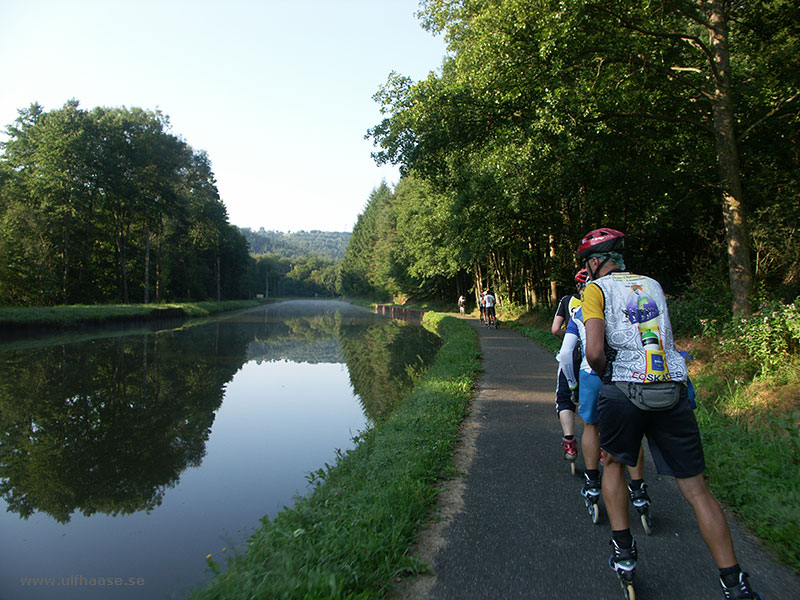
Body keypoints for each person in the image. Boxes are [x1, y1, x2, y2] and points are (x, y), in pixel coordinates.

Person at [579, 227, 762, 599]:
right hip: (671, 390)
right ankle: (734, 582)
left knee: (613, 463)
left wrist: (609, 377)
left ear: (595, 262)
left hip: (625, 391)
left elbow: (595, 352)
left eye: (588, 262)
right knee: (697, 489)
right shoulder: (653, 284)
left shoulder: (595, 290)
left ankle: (624, 553)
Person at [559, 284, 651, 525]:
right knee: (631, 433)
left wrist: (571, 384)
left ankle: (591, 481)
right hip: (626, 374)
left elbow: (567, 352)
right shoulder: (628, 306)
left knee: (591, 426)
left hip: (591, 374)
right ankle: (638, 489)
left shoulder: (579, 312)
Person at [553, 269, 588, 465]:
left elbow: (555, 329)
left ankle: (569, 440)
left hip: (571, 354)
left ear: (577, 286)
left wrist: (568, 338)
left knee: (564, 396)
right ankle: (601, 447)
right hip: (595, 357)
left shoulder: (567, 300)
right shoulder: (601, 300)